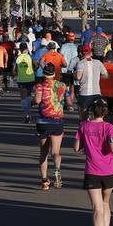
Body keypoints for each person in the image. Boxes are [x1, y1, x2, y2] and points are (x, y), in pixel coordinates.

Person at [74, 100, 113, 226]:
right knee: (106, 204)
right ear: (105, 112)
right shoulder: (109, 128)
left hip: (92, 171)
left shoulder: (84, 126)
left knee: (96, 208)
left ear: (92, 111)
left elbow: (76, 147)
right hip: (109, 171)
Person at [33, 62, 71, 190]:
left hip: (43, 121)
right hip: (57, 120)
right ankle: (57, 170)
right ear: (54, 74)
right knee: (55, 151)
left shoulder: (40, 86)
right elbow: (68, 100)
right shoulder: (62, 85)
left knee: (43, 153)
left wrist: (32, 101)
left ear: (44, 73)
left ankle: (44, 181)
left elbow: (37, 101)